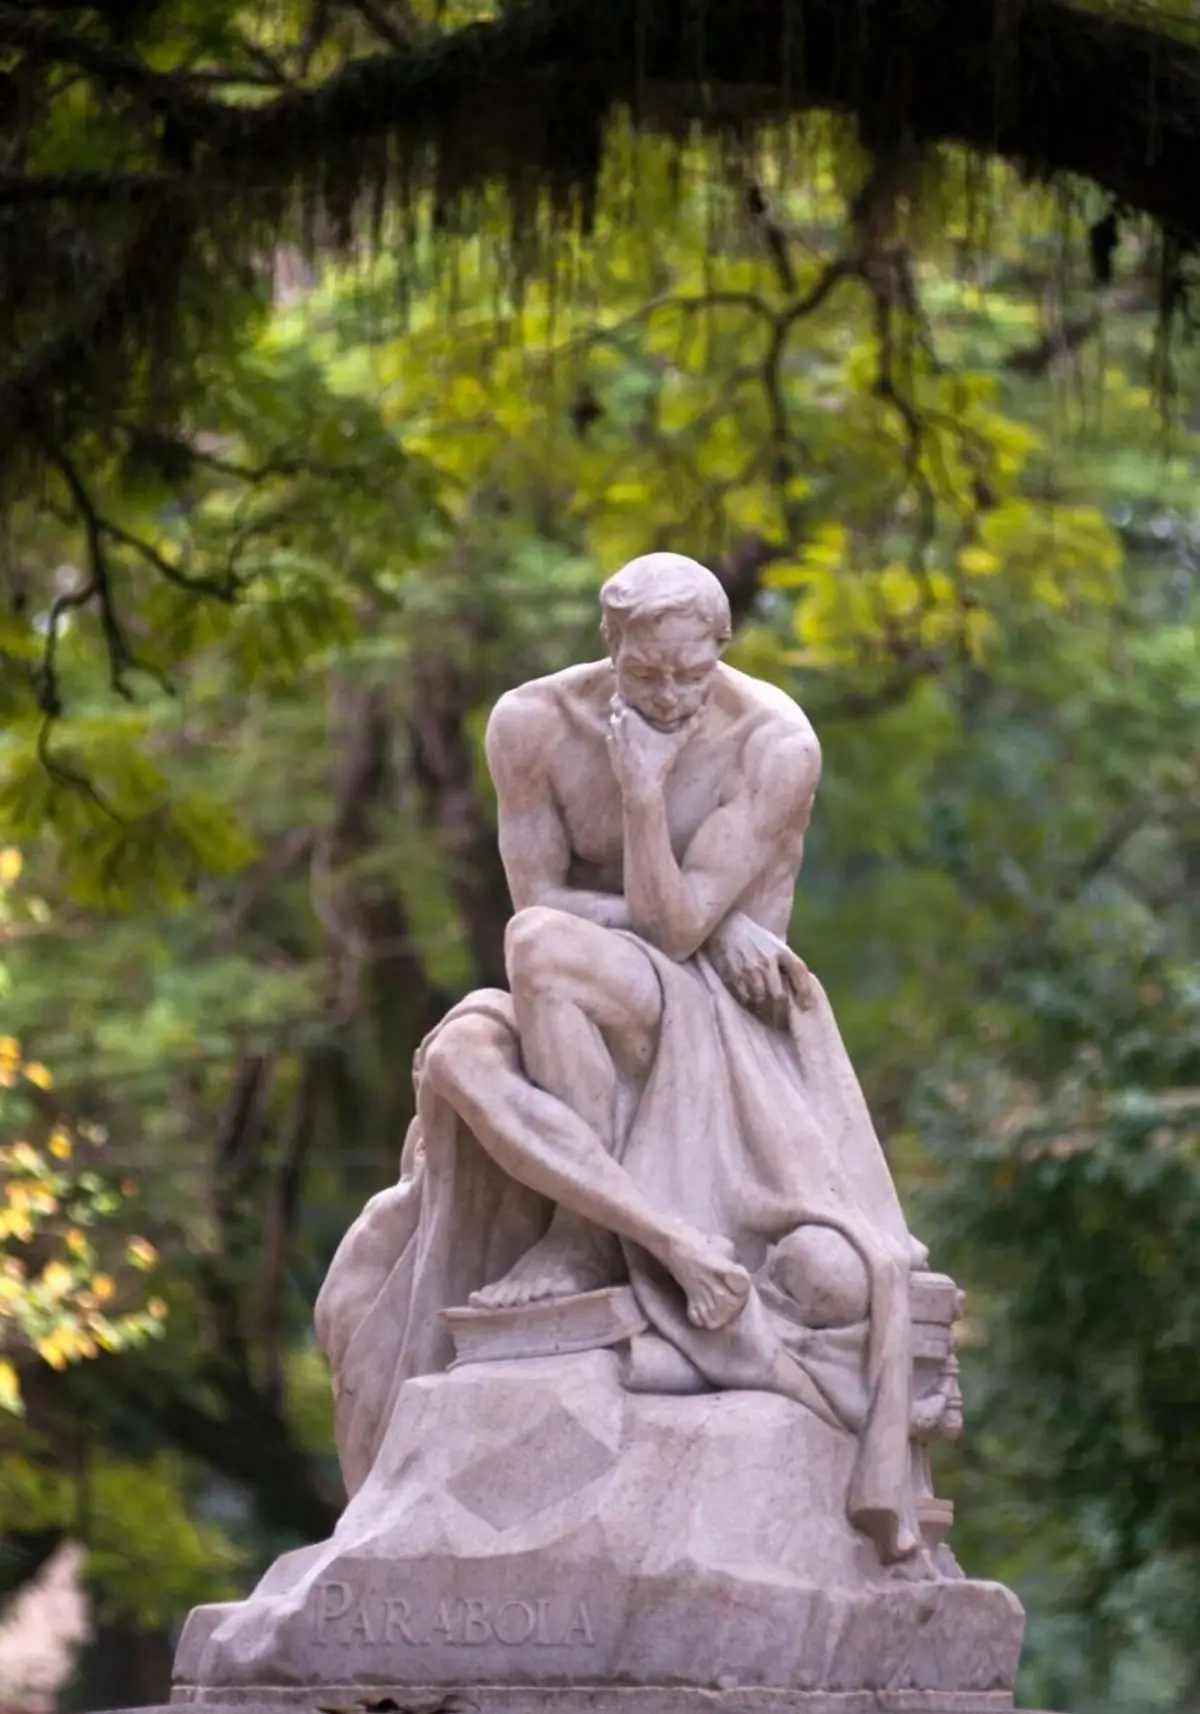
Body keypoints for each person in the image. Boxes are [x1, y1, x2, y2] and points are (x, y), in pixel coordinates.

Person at [316, 553, 927, 1563]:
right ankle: (598, 1224)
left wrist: (650, 813)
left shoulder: (773, 743)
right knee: (467, 1044)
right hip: (593, 993)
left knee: (543, 957)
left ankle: (583, 1233)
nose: (674, 695)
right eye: (649, 674)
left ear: (722, 649)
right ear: (612, 650)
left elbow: (678, 928)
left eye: (693, 671)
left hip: (729, 1033)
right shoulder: (531, 725)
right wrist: (693, 923)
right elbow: (541, 902)